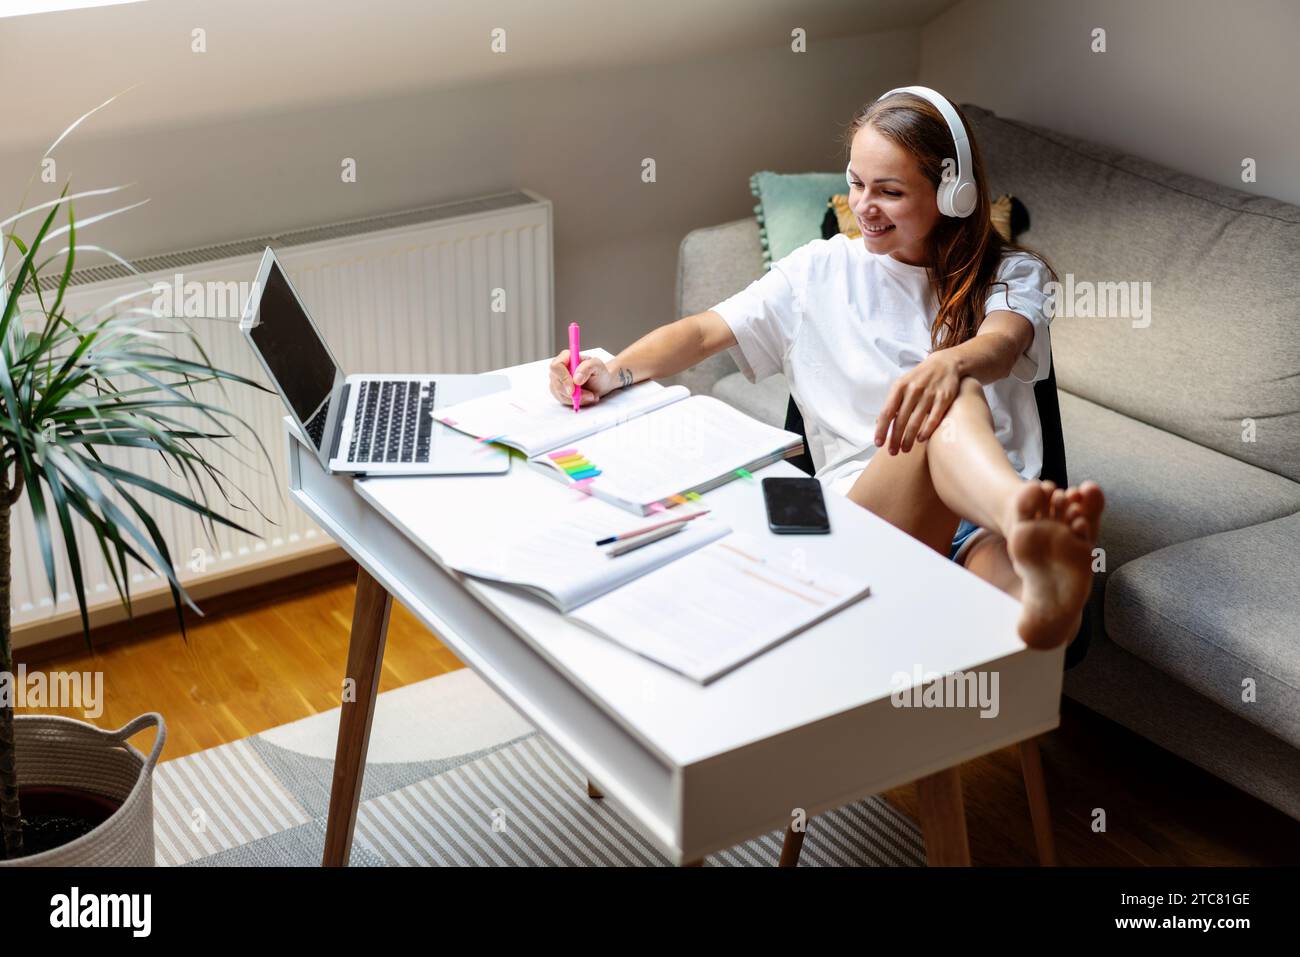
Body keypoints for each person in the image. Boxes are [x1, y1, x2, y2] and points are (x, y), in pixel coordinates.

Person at [547, 87, 1104, 651]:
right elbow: (702, 332)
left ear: (953, 194)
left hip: (978, 510)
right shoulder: (820, 269)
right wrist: (612, 370)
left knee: (1021, 607)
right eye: (857, 183)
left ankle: (1040, 576)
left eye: (889, 191)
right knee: (946, 392)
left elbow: (1004, 343)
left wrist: (950, 363)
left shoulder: (1014, 272)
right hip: (876, 506)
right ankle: (1024, 519)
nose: (864, 205)